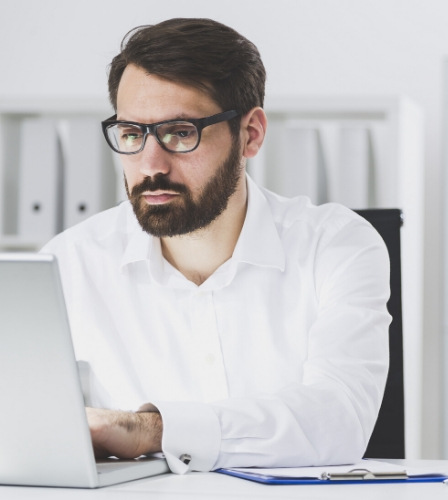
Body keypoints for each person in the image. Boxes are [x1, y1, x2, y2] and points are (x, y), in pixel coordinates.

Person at [41, 17, 391, 474]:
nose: (150, 164)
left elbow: (338, 421)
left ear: (250, 134)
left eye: (180, 132)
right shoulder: (67, 263)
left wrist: (150, 430)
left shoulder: (337, 244)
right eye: (131, 134)